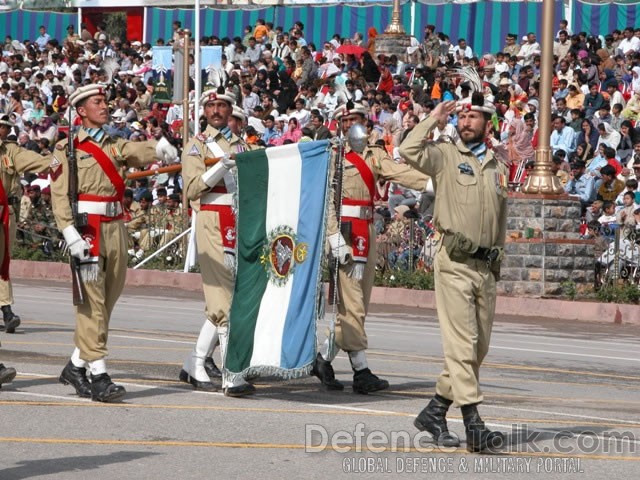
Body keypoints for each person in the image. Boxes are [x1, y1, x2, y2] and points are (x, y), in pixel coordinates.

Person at [398, 94, 508, 453]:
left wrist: (497, 264)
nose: (466, 122)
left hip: (484, 266)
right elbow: (409, 149)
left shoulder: (496, 166)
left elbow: (500, 220)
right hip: (454, 263)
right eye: (463, 116)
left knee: (477, 348)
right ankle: (474, 424)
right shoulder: (445, 156)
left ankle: (435, 410)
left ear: (487, 123)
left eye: (474, 117)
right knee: (461, 345)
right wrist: (433, 117)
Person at [50, 85, 159, 403]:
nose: (105, 106)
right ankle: (99, 376)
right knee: (91, 304)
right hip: (87, 231)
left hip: (115, 227)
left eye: (104, 101)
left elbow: (144, 152)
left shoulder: (116, 144)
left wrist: (167, 148)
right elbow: (60, 197)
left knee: (106, 303)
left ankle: (74, 366)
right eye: (97, 102)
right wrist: (70, 236)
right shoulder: (66, 148)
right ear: (81, 111)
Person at [312, 102, 429, 394]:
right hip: (345, 233)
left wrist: (435, 183)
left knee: (358, 305)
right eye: (346, 119)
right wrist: (332, 235)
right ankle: (361, 371)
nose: (351, 124)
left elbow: (399, 172)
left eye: (356, 119)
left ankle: (323, 360)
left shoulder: (374, 154)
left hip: (367, 229)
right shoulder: (334, 155)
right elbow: (326, 195)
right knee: (351, 304)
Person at [181, 87, 257, 397]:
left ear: (230, 111)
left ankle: (195, 362)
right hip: (212, 220)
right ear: (204, 111)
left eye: (222, 105)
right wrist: (220, 167)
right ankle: (231, 372)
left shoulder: (243, 145)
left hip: (239, 222)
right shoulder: (197, 146)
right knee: (225, 299)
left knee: (225, 297)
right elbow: (192, 189)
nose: (216, 110)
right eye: (211, 105)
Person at [0, 114, 49, 334]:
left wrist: (60, 161)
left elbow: (37, 161)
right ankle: (6, 310)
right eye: (1, 125)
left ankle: (6, 310)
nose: (3, 130)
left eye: (5, 127)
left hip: (5, 211)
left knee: (2, 262)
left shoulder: (10, 152)